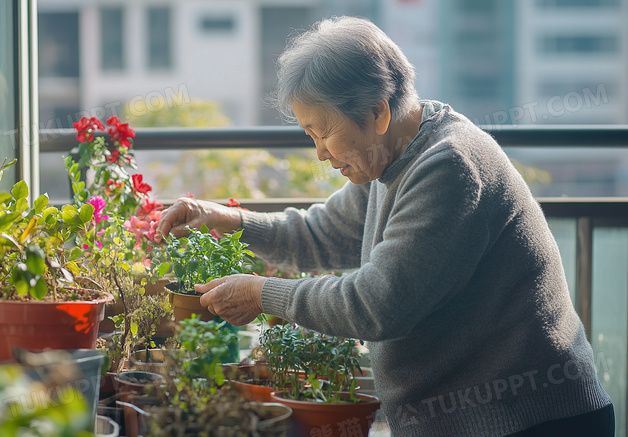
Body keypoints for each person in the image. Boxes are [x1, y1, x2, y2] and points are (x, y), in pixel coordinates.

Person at [156, 16, 613, 437]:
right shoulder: (387, 157)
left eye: (323, 133)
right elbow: (321, 234)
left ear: (377, 112)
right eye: (310, 136)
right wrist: (226, 218)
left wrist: (261, 293)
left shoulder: (449, 167)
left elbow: (376, 305)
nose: (320, 153)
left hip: (530, 419)